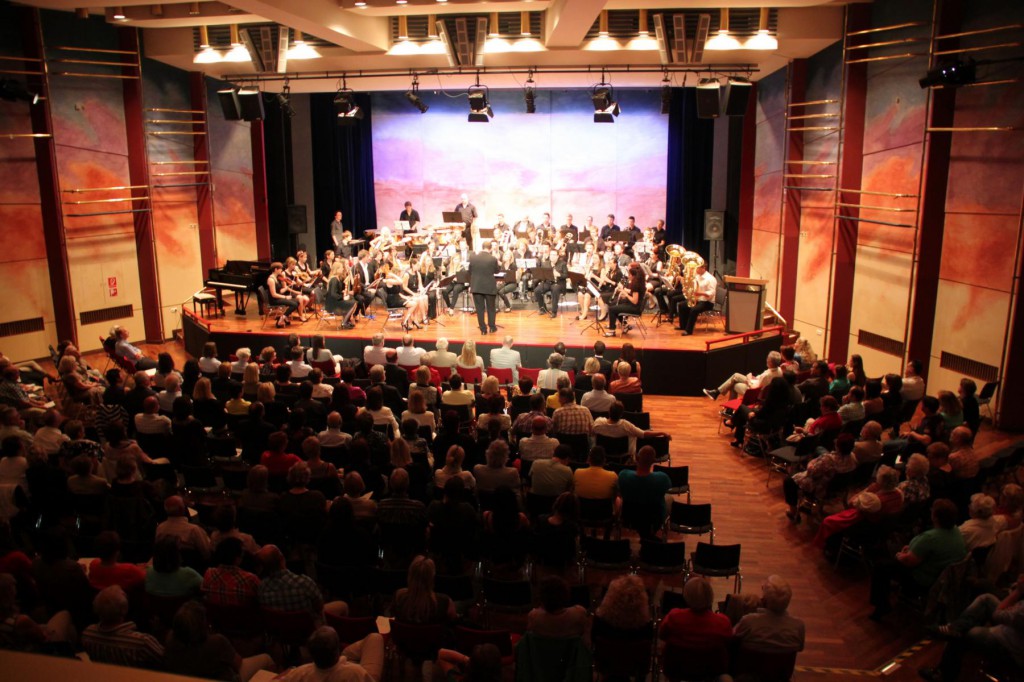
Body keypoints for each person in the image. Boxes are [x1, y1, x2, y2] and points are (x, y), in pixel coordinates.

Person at [869, 499, 967, 620]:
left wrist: (899, 555)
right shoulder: (956, 531)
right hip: (941, 578)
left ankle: (882, 605)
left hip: (922, 580)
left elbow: (908, 562)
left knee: (880, 566)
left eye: (933, 511)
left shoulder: (930, 538)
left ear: (935, 517)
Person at [919, 573, 1024, 682]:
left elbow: (998, 614)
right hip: (1015, 628)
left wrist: (1018, 591)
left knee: (969, 633)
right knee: (986, 599)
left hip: (1014, 647)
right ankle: (956, 627)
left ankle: (944, 674)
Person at [81, 585, 164, 669]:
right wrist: (158, 633)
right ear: (124, 610)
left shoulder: (88, 634)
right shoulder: (142, 642)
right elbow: (166, 661)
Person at [659, 576, 733, 657]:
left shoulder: (674, 617)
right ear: (710, 596)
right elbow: (729, 643)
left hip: (677, 667)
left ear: (686, 596)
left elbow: (662, 635)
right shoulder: (723, 622)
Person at [281, 626, 384, 682]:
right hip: (353, 672)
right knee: (375, 638)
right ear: (337, 650)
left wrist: (290, 671)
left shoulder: (300, 673)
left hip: (340, 663)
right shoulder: (356, 673)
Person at [733, 575, 806, 654]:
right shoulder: (798, 627)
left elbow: (731, 639)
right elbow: (800, 648)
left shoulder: (748, 622)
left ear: (764, 600)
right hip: (782, 666)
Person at [618, 445, 671, 538]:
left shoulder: (623, 475)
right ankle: (651, 534)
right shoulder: (662, 478)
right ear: (654, 461)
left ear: (637, 458)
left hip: (629, 517)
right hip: (654, 517)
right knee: (670, 498)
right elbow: (667, 488)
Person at [528, 575, 590, 645]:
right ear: (566, 595)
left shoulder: (534, 616)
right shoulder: (579, 613)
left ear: (541, 597)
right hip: (571, 655)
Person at [704, 350, 784, 400]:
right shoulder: (780, 370)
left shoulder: (767, 375)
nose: (766, 360)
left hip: (755, 393)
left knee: (733, 385)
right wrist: (755, 378)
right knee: (736, 376)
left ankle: (723, 402)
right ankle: (716, 393)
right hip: (760, 386)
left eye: (768, 359)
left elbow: (756, 388)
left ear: (770, 362)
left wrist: (748, 381)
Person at [605, 263, 646, 336]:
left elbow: (634, 301)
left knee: (612, 309)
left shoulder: (635, 284)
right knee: (617, 305)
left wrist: (626, 294)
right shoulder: (639, 282)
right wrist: (624, 291)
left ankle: (612, 331)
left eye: (629, 274)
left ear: (633, 276)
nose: (628, 276)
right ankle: (625, 325)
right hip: (636, 306)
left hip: (635, 308)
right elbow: (634, 293)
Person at [676, 264, 718, 336]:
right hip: (697, 299)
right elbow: (693, 286)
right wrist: (686, 289)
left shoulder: (711, 279)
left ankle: (688, 330)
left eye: (697, 268)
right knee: (681, 305)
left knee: (694, 310)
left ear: (703, 268)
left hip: (707, 302)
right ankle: (683, 326)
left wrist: (699, 293)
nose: (695, 270)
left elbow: (711, 293)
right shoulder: (697, 276)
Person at [469, 245, 500, 335]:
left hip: (477, 286)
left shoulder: (473, 257)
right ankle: (492, 327)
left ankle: (483, 329)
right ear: (490, 248)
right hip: (489, 286)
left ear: (482, 247)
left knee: (479, 309)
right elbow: (497, 271)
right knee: (491, 308)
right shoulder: (493, 259)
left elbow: (470, 271)